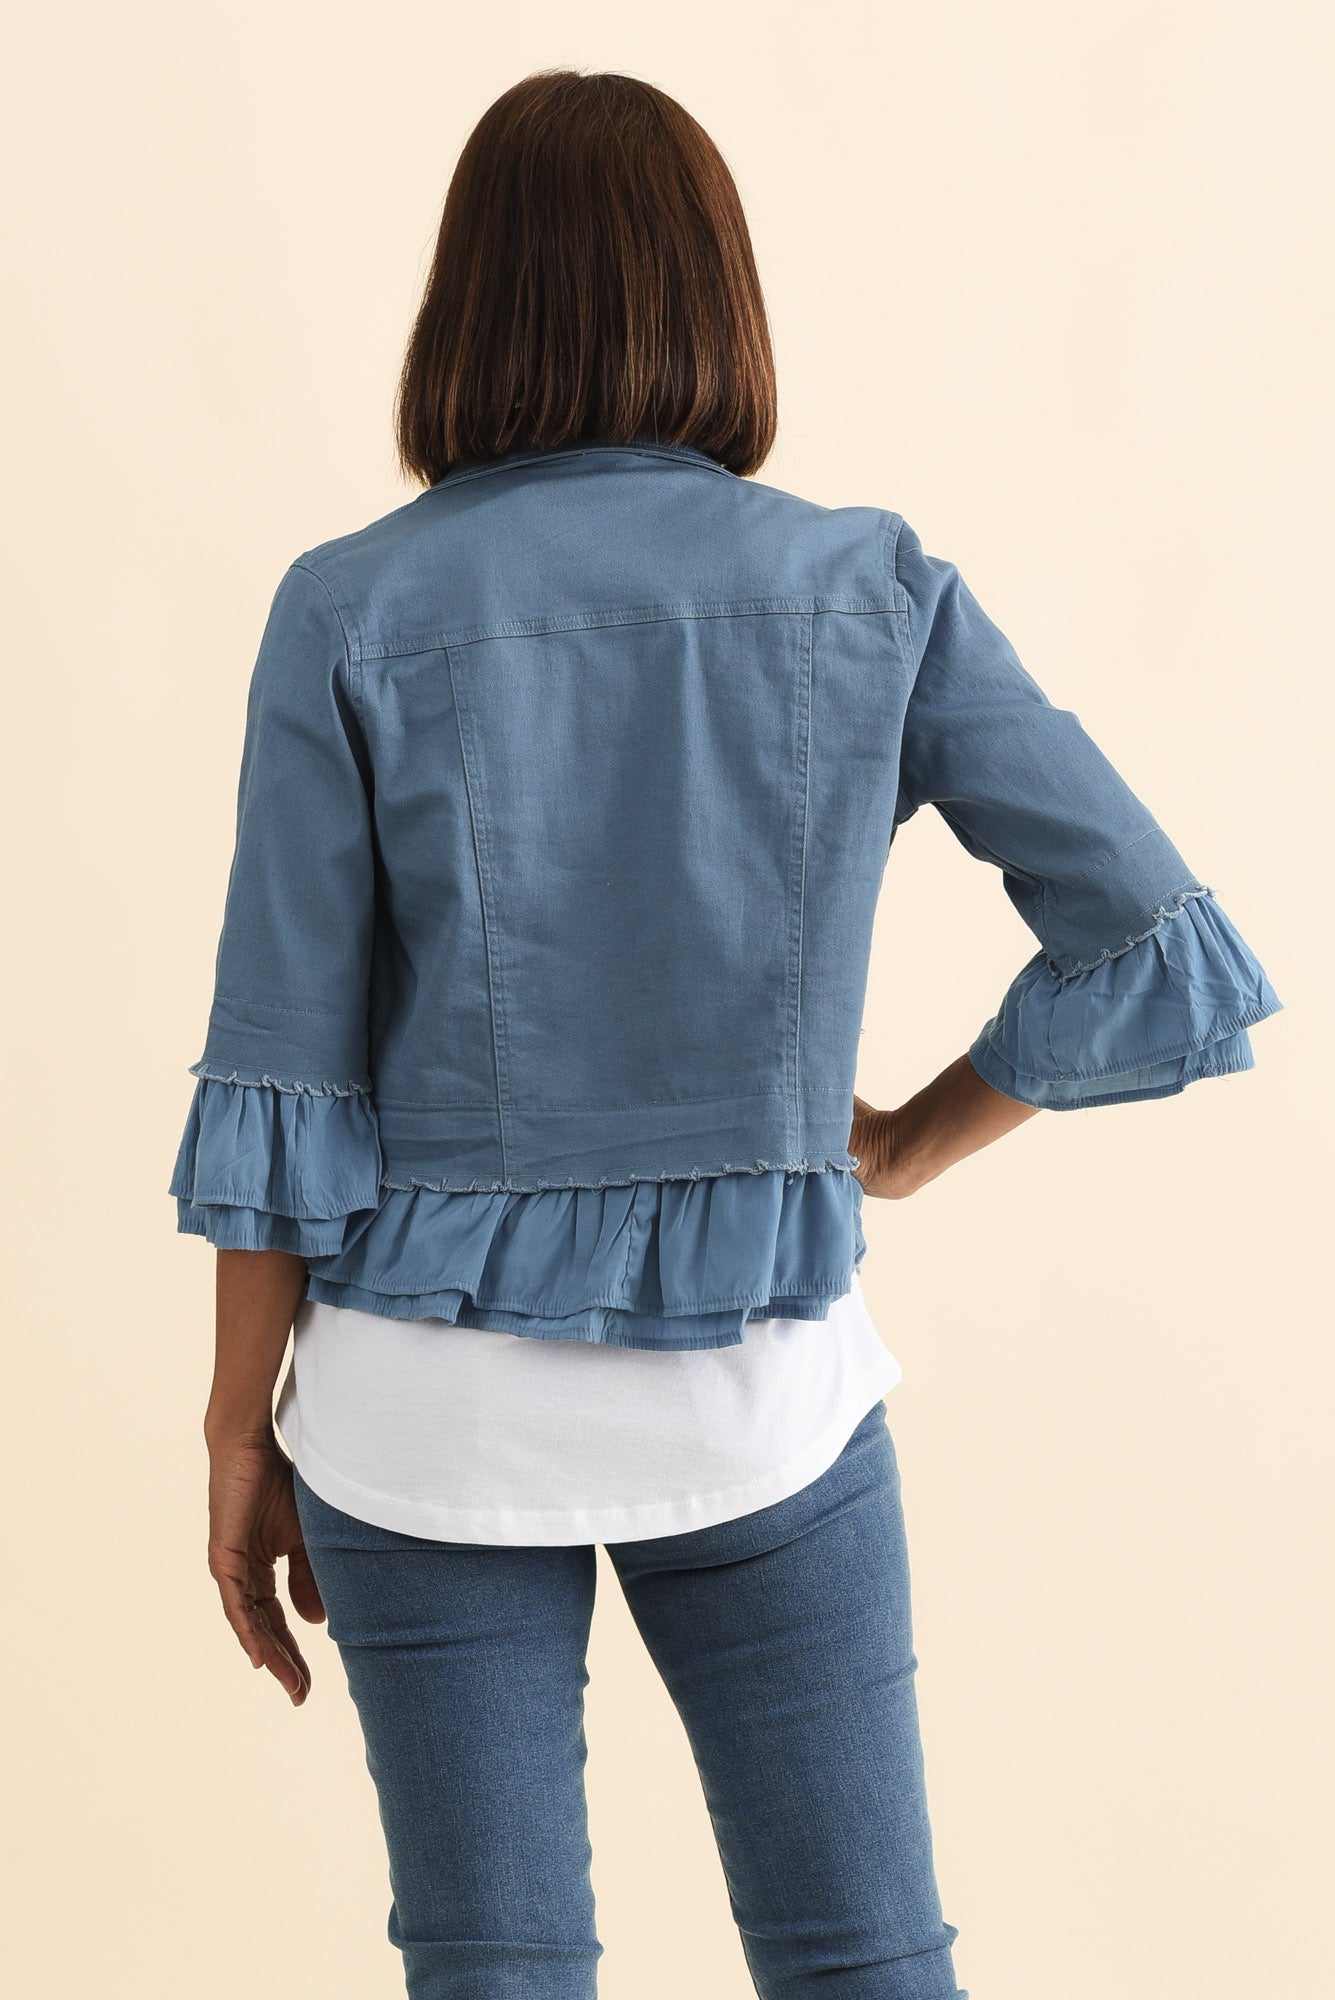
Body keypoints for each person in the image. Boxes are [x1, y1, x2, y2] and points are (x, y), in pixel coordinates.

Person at [168, 67, 1283, 2000]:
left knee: (493, 1968)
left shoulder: (348, 608)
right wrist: (906, 1140)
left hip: (420, 1420)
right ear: (717, 295)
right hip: (763, 1396)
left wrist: (230, 1429)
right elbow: (1153, 943)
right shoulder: (865, 585)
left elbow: (289, 1071)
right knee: (864, 1962)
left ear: (467, 300)